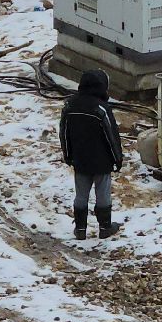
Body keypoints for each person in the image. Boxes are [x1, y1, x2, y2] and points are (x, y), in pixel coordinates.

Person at [59, 69, 123, 240]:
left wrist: (68, 155)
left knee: (81, 194)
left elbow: (64, 133)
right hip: (102, 161)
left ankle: (80, 229)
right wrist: (118, 158)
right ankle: (105, 227)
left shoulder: (69, 106)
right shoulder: (101, 109)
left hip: (80, 159)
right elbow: (111, 136)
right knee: (102, 193)